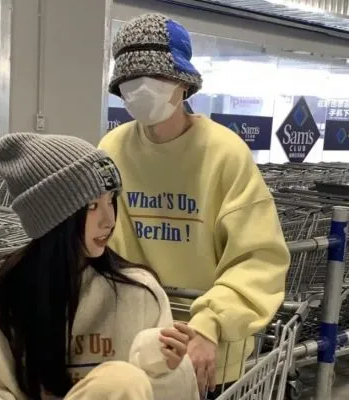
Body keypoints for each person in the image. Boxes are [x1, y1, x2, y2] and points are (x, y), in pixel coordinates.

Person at [99, 13, 291, 398]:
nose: (141, 89)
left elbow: (259, 258)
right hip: (135, 342)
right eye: (131, 80)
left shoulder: (224, 154)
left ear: (184, 84)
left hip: (210, 352)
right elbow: (101, 243)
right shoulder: (112, 150)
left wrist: (211, 322)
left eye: (155, 78)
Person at [0, 133, 200, 400]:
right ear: (51, 217)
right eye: (92, 205)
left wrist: (157, 365)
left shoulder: (138, 291)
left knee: (121, 381)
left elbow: (173, 393)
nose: (109, 220)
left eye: (111, 200)